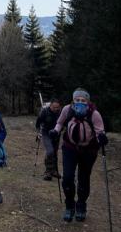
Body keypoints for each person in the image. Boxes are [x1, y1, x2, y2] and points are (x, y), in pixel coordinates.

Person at [49, 88, 108, 222]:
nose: (80, 102)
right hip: (69, 147)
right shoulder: (67, 109)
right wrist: (55, 131)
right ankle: (70, 206)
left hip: (89, 151)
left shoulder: (94, 114)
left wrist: (102, 138)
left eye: (83, 100)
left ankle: (81, 206)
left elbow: (100, 132)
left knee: (83, 178)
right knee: (67, 178)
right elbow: (60, 122)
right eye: (77, 100)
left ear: (88, 102)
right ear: (73, 100)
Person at [35, 98, 62, 180]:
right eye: (54, 107)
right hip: (46, 133)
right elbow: (38, 123)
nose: (56, 109)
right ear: (50, 106)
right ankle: (47, 172)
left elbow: (62, 123)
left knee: (55, 152)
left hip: (56, 135)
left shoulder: (60, 113)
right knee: (50, 151)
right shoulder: (44, 112)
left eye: (57, 107)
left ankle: (54, 171)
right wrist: (38, 132)